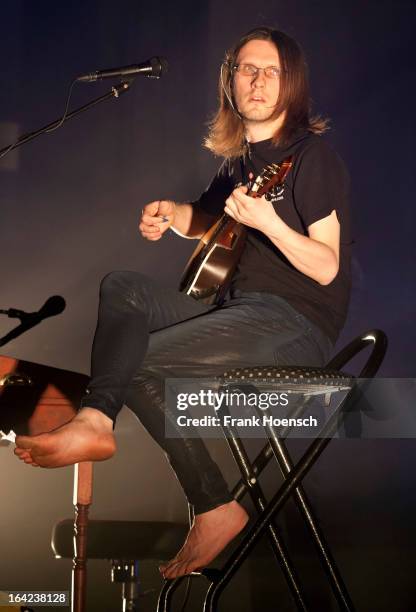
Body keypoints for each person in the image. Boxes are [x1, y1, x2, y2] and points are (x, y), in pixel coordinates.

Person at [14, 27, 351, 579]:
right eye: (247, 69)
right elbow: (208, 220)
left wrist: (269, 221)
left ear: (292, 84)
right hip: (236, 309)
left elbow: (327, 264)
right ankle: (171, 474)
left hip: (292, 321)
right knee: (122, 284)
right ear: (230, 82)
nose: (259, 80)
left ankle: (132, 446)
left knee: (133, 362)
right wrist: (172, 213)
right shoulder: (242, 164)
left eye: (272, 71)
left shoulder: (312, 158)